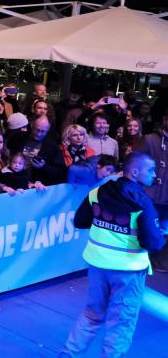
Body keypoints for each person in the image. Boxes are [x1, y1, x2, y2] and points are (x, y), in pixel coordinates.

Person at [60, 152, 165, 357]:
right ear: (134, 172)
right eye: (151, 170)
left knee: (91, 314)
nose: (155, 175)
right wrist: (160, 233)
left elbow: (80, 221)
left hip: (98, 266)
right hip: (128, 271)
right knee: (121, 322)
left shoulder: (98, 192)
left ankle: (67, 354)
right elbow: (152, 243)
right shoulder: (143, 204)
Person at [135, 113, 168, 272]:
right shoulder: (149, 139)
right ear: (165, 120)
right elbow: (134, 162)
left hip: (166, 199)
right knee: (144, 229)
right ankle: (140, 261)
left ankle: (157, 261)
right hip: (149, 196)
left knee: (163, 231)